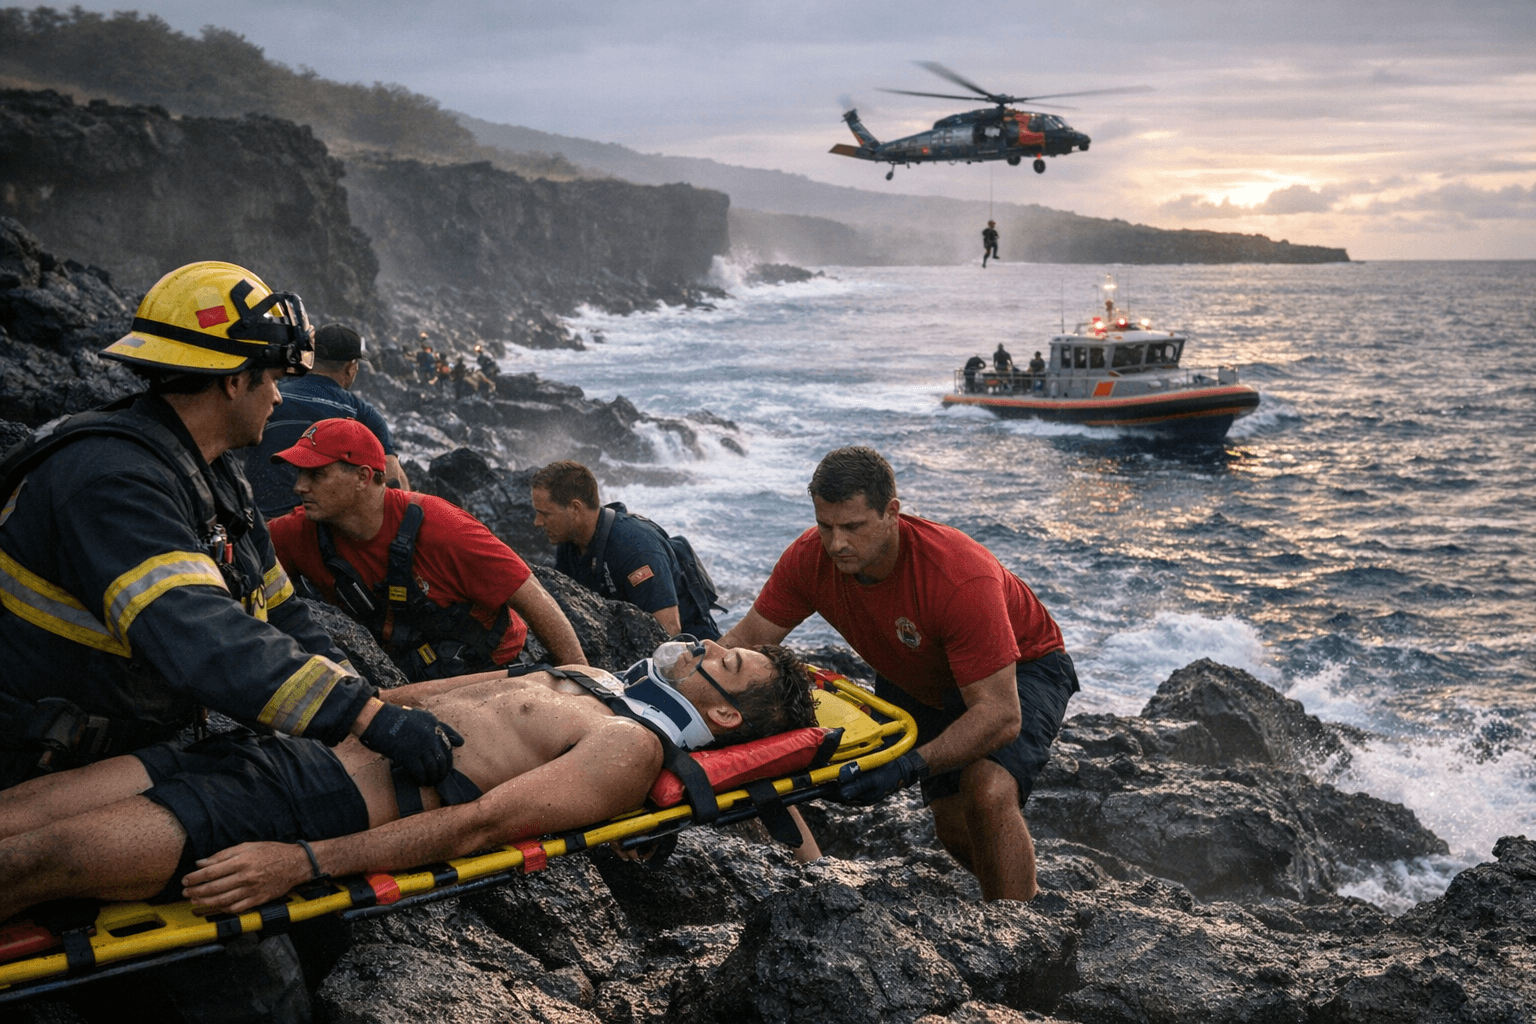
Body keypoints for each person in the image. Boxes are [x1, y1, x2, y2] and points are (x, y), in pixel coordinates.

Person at [0, 262, 456, 792]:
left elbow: (282, 611)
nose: (279, 399)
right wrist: (365, 718)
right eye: (275, 381)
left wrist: (361, 698)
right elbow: (203, 639)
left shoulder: (210, 473)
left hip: (127, 742)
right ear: (236, 381)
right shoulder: (113, 484)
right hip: (38, 764)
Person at [0, 640, 818, 922]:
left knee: (36, 859)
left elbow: (478, 828)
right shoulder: (590, 677)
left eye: (723, 662)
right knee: (18, 810)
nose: (704, 647)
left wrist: (303, 863)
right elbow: (402, 700)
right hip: (275, 750)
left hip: (303, 806)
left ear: (726, 716)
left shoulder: (628, 747)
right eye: (718, 644)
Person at [720, 446, 1078, 902]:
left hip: (1021, 667)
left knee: (987, 791)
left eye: (853, 527)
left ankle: (1023, 926)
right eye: (825, 525)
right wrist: (679, 676)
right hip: (915, 672)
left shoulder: (959, 576)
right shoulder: (811, 558)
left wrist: (906, 767)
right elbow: (748, 639)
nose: (836, 543)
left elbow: (1001, 716)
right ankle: (1018, 900)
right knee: (953, 825)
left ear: (892, 513)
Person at [269, 419, 586, 680]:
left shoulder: (444, 527)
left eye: (316, 474)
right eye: (299, 473)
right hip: (403, 672)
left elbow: (531, 595)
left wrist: (583, 678)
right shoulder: (300, 532)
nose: (299, 486)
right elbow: (245, 553)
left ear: (363, 476)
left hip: (492, 669)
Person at [531, 460, 721, 639]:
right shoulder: (571, 542)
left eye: (545, 514)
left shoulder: (635, 548)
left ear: (575, 509)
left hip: (694, 649)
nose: (537, 522)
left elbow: (669, 629)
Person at [244, 322, 409, 521]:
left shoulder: (272, 396)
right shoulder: (362, 413)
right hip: (323, 528)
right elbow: (393, 480)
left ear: (310, 358)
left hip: (258, 522)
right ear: (351, 367)